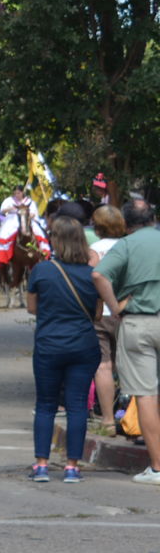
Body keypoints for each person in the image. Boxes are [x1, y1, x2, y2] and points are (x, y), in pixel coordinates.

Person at [26, 216, 102, 483]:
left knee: (45, 404)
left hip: (49, 344)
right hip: (83, 344)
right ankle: (72, 466)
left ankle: (41, 465)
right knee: (77, 405)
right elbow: (97, 314)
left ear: (55, 240)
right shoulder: (92, 274)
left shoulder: (41, 270)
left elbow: (32, 308)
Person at [92, 198, 160, 483]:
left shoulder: (127, 245)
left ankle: (157, 468)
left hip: (138, 322)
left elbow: (98, 274)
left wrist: (114, 306)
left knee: (146, 395)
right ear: (153, 218)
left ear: (127, 223)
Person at [91, 205, 130, 422]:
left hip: (102, 314)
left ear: (98, 226)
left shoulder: (94, 250)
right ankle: (128, 415)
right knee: (127, 365)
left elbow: (91, 280)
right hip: (126, 312)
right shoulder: (129, 246)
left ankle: (107, 419)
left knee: (103, 365)